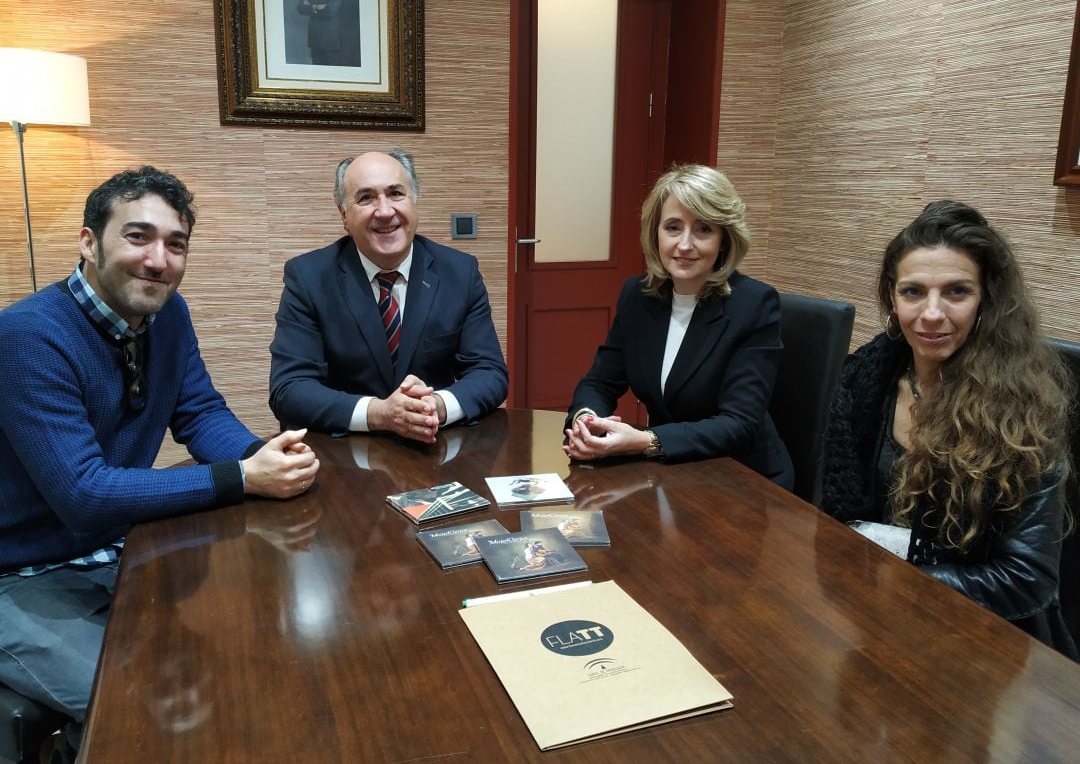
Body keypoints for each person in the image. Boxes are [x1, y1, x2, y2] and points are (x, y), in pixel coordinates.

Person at [0, 166, 320, 756]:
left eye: (176, 244)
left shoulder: (168, 316)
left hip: (116, 548)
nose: (158, 260)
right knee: (142, 707)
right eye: (138, 236)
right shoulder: (25, 336)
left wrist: (264, 454)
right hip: (19, 574)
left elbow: (199, 413)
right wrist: (243, 478)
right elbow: (85, 494)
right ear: (89, 242)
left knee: (241, 660)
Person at [822, 200, 1076, 658]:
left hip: (980, 642)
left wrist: (895, 571)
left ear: (987, 301)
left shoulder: (1024, 411)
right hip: (872, 620)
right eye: (913, 292)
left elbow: (1026, 581)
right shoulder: (865, 380)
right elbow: (837, 518)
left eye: (956, 292)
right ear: (892, 298)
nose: (932, 314)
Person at [563, 164, 794, 488]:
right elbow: (600, 382)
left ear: (724, 239)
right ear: (655, 233)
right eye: (673, 227)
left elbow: (739, 423)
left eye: (703, 229)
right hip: (668, 475)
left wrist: (647, 440)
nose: (685, 245)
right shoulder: (638, 295)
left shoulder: (754, 304)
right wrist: (587, 422)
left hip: (741, 478)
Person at [269, 149, 508, 443]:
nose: (384, 211)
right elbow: (289, 389)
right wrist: (380, 413)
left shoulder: (460, 272)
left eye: (396, 193)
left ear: (414, 202)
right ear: (344, 215)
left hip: (435, 447)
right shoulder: (308, 277)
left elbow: (490, 372)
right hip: (345, 454)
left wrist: (438, 406)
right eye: (366, 198)